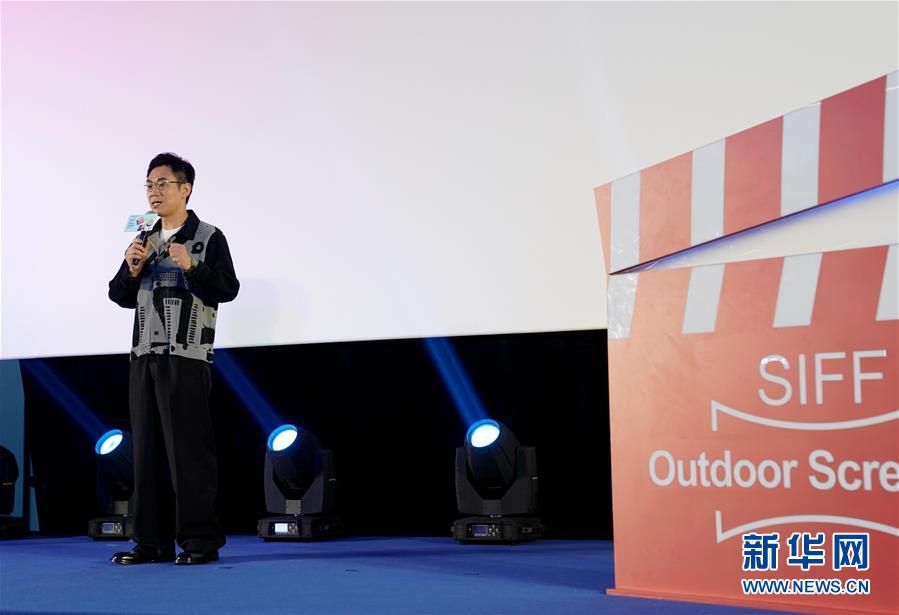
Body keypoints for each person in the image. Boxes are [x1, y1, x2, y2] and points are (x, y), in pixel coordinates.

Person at [108, 153, 239, 565]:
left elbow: (227, 288)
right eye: (149, 184)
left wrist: (193, 266)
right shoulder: (143, 236)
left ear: (185, 189)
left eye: (162, 183)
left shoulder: (208, 236)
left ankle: (199, 541)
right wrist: (132, 269)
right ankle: (151, 542)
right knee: (146, 453)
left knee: (188, 453)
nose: (154, 191)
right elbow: (118, 294)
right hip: (144, 356)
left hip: (187, 356)